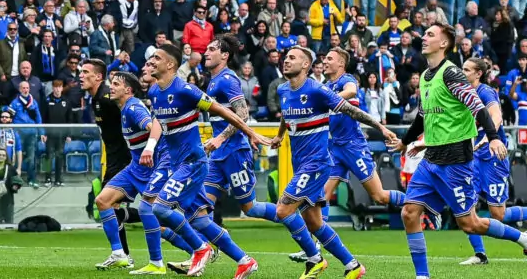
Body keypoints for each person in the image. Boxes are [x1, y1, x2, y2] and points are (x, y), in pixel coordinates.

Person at [387, 23, 527, 278]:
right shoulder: (426, 76)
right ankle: (422, 276)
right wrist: (406, 141)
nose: (424, 37)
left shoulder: (451, 74)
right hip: (431, 160)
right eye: (424, 34)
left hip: (456, 162)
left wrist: (493, 137)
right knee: (409, 212)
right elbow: (423, 117)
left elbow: (477, 106)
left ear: (444, 44)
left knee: (470, 224)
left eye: (430, 35)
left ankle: (525, 239)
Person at [190, 34, 321, 273]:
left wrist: (221, 137)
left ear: (224, 55)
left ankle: (303, 232)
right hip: (219, 156)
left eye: (211, 49)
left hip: (234, 152)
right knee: (199, 208)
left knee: (250, 208)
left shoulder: (228, 79)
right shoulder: (213, 80)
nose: (205, 53)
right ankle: (204, 251)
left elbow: (242, 113)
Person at [141, 44, 269, 277]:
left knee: (159, 207)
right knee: (200, 221)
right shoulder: (153, 92)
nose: (151, 61)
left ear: (170, 64)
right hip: (178, 163)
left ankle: (200, 249)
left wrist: (250, 132)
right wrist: (151, 147)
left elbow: (225, 111)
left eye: (157, 58)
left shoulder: (186, 90)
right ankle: (244, 260)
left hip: (193, 162)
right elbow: (159, 121)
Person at [272, 45, 396, 278]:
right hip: (301, 163)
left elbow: (352, 111)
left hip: (317, 163)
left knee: (283, 209)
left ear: (306, 65)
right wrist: (280, 134)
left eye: (292, 57)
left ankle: (314, 259)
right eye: (285, 57)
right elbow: (285, 114)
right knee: (314, 223)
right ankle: (353, 266)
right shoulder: (282, 90)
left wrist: (381, 128)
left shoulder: (318, 90)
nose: (286, 60)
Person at [458, 57, 527, 265]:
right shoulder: (462, 94)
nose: (462, 72)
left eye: (466, 69)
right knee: (466, 208)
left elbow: (497, 117)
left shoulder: (486, 92)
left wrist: (489, 137)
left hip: (494, 157)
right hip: (472, 158)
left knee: (498, 214)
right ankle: (480, 254)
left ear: (478, 74)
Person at [92, 72, 169, 274]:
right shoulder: (123, 108)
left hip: (149, 169)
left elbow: (155, 127)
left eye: (116, 84)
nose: (111, 87)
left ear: (128, 90)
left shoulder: (134, 108)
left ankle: (196, 249)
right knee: (103, 201)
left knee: (158, 216)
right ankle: (119, 254)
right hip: (134, 168)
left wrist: (150, 149)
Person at [79, 59, 135, 263]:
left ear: (98, 76)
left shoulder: (106, 98)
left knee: (106, 203)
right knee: (112, 207)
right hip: (115, 158)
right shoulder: (96, 99)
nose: (81, 75)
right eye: (81, 71)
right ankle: (123, 255)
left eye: (86, 72)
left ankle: (121, 254)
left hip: (126, 159)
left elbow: (132, 114)